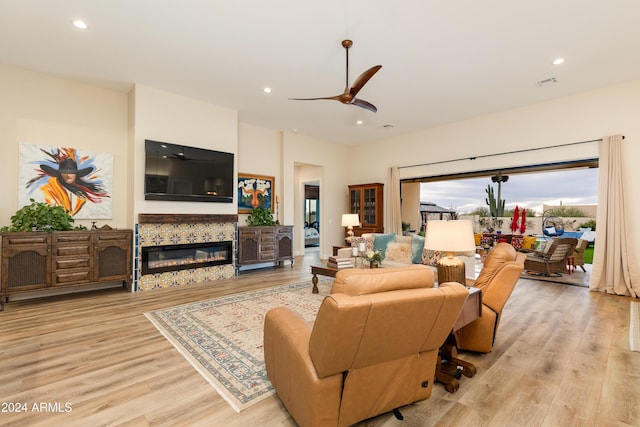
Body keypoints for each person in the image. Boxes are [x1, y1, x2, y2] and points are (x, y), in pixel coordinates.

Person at [38, 156, 106, 216]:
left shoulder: (80, 194)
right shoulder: (48, 190)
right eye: (65, 172)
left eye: (72, 172)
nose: (68, 175)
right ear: (60, 174)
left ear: (76, 175)